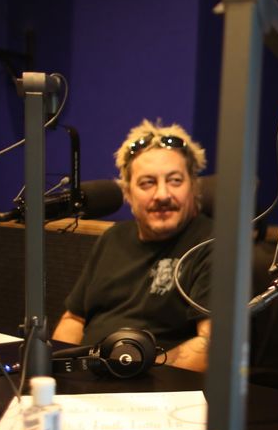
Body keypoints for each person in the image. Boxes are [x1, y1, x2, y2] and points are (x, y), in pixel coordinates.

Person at [52, 119, 212, 372]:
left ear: (193, 186)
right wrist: (57, 372)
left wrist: (131, 376)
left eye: (175, 180)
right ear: (127, 193)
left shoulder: (213, 243)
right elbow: (74, 319)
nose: (162, 195)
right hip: (87, 379)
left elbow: (212, 343)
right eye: (147, 183)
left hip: (158, 386)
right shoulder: (112, 237)